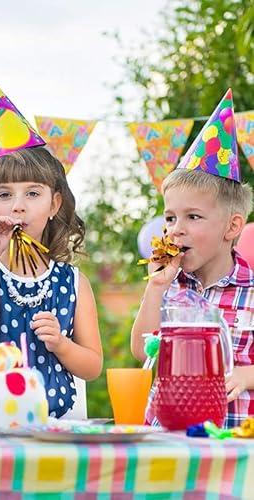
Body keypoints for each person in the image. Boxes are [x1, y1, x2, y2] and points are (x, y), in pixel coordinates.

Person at [0, 69, 102, 418]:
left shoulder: (72, 283)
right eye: (4, 194)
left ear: (53, 205)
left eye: (32, 194)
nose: (18, 205)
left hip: (57, 425)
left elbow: (92, 366)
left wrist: (62, 345)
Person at [131, 89, 254, 428]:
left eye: (193, 217)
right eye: (170, 218)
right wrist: (155, 287)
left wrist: (246, 374)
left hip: (235, 445)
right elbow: (143, 352)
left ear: (232, 226)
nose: (175, 230)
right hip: (170, 439)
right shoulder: (168, 289)